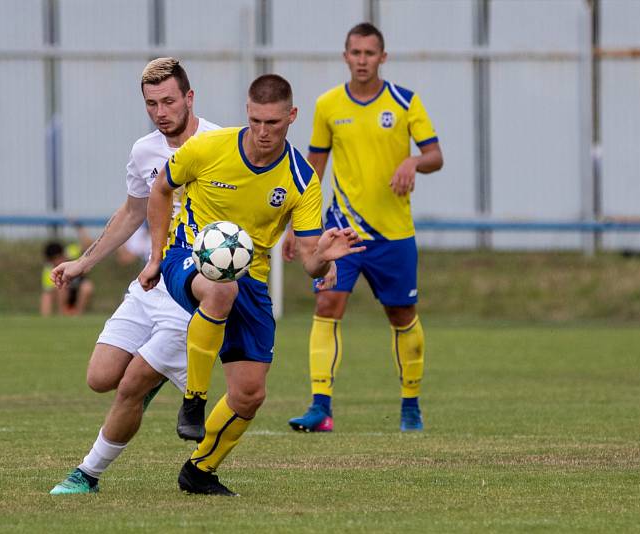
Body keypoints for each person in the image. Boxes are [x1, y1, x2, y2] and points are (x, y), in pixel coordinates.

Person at [138, 74, 364, 496]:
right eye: (256, 120)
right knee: (221, 287)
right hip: (188, 254)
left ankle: (199, 470)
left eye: (274, 123)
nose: (263, 132)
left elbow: (311, 260)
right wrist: (154, 257)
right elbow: (161, 188)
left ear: (291, 117)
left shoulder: (301, 180)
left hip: (251, 277)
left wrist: (324, 258)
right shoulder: (207, 148)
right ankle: (194, 401)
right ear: (247, 111)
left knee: (249, 394)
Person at [48, 57, 219, 495]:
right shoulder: (145, 151)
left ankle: (86, 475)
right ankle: (153, 376)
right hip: (150, 282)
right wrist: (83, 263)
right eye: (151, 104)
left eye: (168, 101)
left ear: (189, 98)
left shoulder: (221, 144)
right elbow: (132, 212)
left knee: (128, 387)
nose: (161, 112)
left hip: (193, 292)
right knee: (100, 378)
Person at [285, 22, 444, 433]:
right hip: (343, 233)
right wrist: (295, 225)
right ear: (345, 57)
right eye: (355, 53)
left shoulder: (405, 103)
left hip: (394, 233)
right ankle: (321, 407)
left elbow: (435, 155)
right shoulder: (328, 105)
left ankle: (411, 405)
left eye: (369, 53)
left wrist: (412, 162)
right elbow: (313, 169)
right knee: (326, 305)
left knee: (400, 313)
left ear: (382, 58)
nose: (362, 60)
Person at [40, 225, 95, 316]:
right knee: (50, 293)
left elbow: (89, 246)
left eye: (59, 257)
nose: (58, 261)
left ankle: (78, 316)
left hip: (77, 291)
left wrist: (79, 228)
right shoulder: (48, 270)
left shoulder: (71, 253)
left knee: (87, 287)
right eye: (54, 260)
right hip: (62, 294)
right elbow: (49, 290)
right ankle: (54, 318)